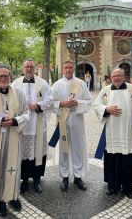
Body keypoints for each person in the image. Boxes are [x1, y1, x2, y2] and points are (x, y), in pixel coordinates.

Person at [0, 65, 30, 217]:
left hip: (13, 136)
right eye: (0, 76)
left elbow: (27, 113)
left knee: (13, 167)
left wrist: (15, 121)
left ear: (10, 77)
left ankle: (12, 197)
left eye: (6, 76)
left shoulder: (19, 94)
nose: (3, 79)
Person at [94, 68, 132, 199]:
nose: (117, 78)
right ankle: (113, 186)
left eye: (119, 75)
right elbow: (96, 105)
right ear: (111, 77)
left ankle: (128, 188)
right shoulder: (105, 90)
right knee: (112, 158)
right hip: (111, 130)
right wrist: (106, 109)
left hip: (127, 130)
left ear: (124, 76)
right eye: (114, 76)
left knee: (128, 160)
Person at [12, 58, 53, 194]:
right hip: (22, 126)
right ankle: (23, 180)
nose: (29, 69)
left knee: (37, 153)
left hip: (37, 123)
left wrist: (38, 105)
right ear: (23, 69)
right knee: (23, 153)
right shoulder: (16, 83)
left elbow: (50, 98)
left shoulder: (43, 83)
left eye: (31, 67)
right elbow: (11, 101)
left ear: (35, 69)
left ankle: (36, 180)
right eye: (26, 67)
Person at [50, 60, 92, 191]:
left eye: (70, 67)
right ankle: (64, 177)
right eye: (66, 67)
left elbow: (89, 101)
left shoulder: (81, 84)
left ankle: (78, 177)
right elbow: (51, 103)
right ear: (63, 69)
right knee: (64, 149)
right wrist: (62, 104)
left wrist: (77, 103)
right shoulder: (56, 85)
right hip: (62, 120)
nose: (68, 69)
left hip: (76, 119)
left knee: (77, 148)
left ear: (73, 69)